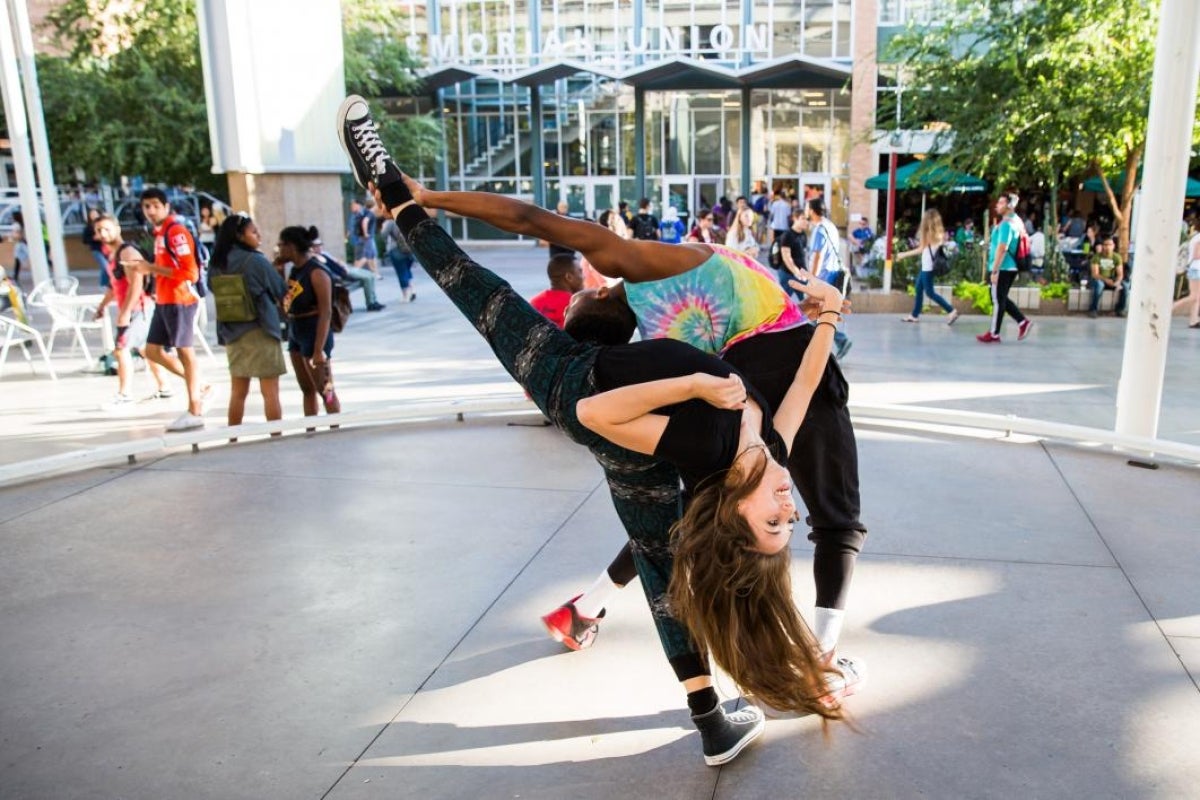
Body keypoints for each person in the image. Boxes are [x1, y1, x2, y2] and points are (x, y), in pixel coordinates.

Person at [338, 95, 849, 765]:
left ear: (737, 509)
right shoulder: (769, 450)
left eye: (773, 520)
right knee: (661, 569)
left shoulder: (710, 444)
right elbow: (808, 383)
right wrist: (830, 317)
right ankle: (710, 722)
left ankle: (396, 196)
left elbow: (592, 417)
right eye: (791, 519)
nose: (790, 505)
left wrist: (694, 384)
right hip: (635, 444)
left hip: (572, 383)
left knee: (477, 290)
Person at [121, 187, 210, 432]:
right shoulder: (160, 233)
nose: (150, 211)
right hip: (164, 300)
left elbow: (189, 272)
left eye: (154, 206)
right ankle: (199, 387)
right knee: (152, 351)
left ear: (166, 206)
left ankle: (195, 408)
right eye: (146, 206)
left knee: (185, 352)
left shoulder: (176, 232)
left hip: (180, 300)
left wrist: (151, 269)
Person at [207, 212, 286, 426]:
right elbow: (280, 290)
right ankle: (275, 435)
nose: (258, 235)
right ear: (240, 235)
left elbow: (210, 288)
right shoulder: (256, 260)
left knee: (238, 391)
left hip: (232, 332)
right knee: (270, 392)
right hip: (262, 330)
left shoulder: (217, 263)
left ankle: (233, 437)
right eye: (253, 231)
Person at [92, 214, 171, 406]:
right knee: (149, 351)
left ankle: (124, 394)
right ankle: (166, 387)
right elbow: (114, 286)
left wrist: (125, 313)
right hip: (136, 309)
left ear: (117, 229)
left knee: (121, 349)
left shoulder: (127, 253)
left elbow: (137, 284)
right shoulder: (113, 255)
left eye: (107, 229)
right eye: (99, 230)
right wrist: (102, 306)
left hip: (139, 309)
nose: (103, 233)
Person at [280, 225, 341, 418]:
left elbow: (326, 312)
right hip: (296, 330)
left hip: (315, 331)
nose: (279, 249)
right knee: (306, 388)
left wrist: (318, 349)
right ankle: (310, 429)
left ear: (292, 246)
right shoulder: (295, 270)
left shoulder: (317, 272)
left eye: (281, 245)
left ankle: (335, 424)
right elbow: (286, 299)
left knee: (326, 389)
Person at [977, 193, 1033, 344]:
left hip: (1003, 267)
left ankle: (994, 333)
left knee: (997, 299)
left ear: (1009, 206)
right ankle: (1022, 322)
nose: (997, 205)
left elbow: (1003, 247)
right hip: (1009, 266)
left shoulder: (1007, 224)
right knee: (1001, 298)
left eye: (1001, 203)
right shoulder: (1016, 221)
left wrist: (994, 270)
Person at [807, 197, 853, 360]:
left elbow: (818, 256)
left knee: (815, 315)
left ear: (812, 211)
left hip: (823, 277)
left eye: (807, 208)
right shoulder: (831, 226)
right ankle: (832, 345)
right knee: (821, 314)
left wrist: (812, 280)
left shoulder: (819, 229)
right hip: (832, 274)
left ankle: (839, 342)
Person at [896, 209, 959, 324]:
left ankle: (951, 310)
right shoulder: (939, 234)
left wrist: (903, 255)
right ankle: (914, 315)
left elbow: (921, 249)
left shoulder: (928, 234)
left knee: (929, 292)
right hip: (928, 266)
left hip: (928, 267)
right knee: (919, 288)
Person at [530, 254, 583, 328]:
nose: (584, 276)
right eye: (580, 271)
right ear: (569, 277)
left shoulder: (534, 302)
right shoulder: (577, 305)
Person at [1087, 236, 1127, 318]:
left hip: (1112, 279)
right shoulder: (1096, 257)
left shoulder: (1117, 257)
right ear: (1102, 246)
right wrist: (1106, 280)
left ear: (1113, 246)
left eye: (1110, 245)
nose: (1108, 247)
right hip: (1100, 279)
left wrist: (1117, 282)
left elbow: (1120, 274)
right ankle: (1093, 309)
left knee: (1125, 286)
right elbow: (1095, 274)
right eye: (1105, 245)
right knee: (1099, 285)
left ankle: (1120, 309)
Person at [380, 215, 416, 302]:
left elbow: (383, 235)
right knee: (407, 270)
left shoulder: (390, 222)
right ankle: (412, 290)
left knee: (401, 272)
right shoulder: (407, 218)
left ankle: (406, 296)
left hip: (396, 249)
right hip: (410, 249)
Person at [1173, 217, 1200, 328]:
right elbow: (1196, 255)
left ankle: (1193, 320)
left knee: (1197, 297)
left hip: (1195, 268)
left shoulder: (1196, 237)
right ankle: (1168, 309)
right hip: (1197, 269)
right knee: (1193, 296)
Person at [776, 208, 809, 299]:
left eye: (807, 219)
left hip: (801, 275)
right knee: (784, 303)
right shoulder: (787, 235)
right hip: (788, 275)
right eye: (803, 218)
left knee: (807, 302)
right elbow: (786, 256)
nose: (806, 221)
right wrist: (796, 272)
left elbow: (803, 255)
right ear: (795, 218)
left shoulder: (803, 235)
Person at [82, 208, 111, 290]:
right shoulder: (88, 227)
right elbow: (85, 240)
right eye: (92, 214)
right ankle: (103, 285)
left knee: (108, 267)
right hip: (96, 249)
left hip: (107, 248)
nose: (94, 216)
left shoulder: (103, 224)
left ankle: (108, 284)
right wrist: (94, 238)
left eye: (95, 214)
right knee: (105, 266)